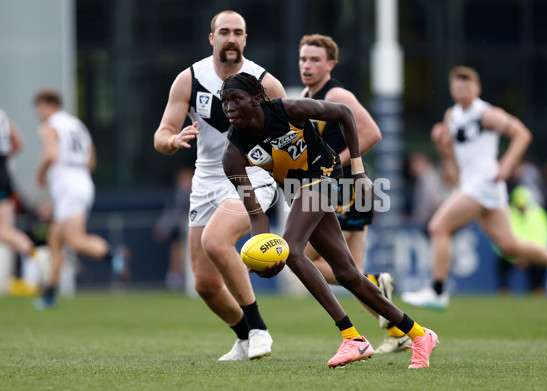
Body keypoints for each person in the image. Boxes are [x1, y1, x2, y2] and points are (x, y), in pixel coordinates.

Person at [221, 72, 438, 369]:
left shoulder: (287, 109)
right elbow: (257, 215)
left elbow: (344, 114)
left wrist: (359, 172)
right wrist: (262, 253)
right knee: (349, 275)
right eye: (225, 101)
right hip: (298, 191)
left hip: (326, 174)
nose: (229, 106)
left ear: (258, 98)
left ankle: (353, 338)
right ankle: (418, 334)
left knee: (292, 250)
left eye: (236, 99)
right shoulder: (233, 154)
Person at [153, 11, 286, 361]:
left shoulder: (264, 83)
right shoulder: (189, 79)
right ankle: (244, 339)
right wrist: (171, 141)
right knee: (205, 285)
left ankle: (258, 330)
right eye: (223, 32)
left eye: (237, 32)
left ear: (245, 39)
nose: (231, 38)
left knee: (216, 240)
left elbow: (290, 139)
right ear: (211, 38)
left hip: (253, 175)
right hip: (207, 178)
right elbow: (161, 134)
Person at [401, 66, 547, 310]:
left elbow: (522, 134)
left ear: (477, 89)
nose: (462, 90)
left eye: (467, 85)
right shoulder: (452, 115)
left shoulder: (485, 114)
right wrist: (441, 143)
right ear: (451, 89)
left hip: (485, 183)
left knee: (438, 227)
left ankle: (437, 291)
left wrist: (507, 165)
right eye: (457, 85)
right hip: (476, 185)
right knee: (510, 247)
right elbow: (453, 159)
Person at [297, 34, 408, 354]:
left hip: (346, 190)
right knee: (349, 274)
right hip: (337, 190)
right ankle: (398, 331)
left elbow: (372, 132)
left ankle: (377, 287)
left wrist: (332, 163)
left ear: (330, 64)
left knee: (317, 263)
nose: (307, 65)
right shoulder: (306, 94)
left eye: (315, 60)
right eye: (304, 59)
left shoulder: (337, 93)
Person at [33, 89, 128, 309]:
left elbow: (50, 155)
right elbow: (91, 160)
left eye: (39, 107)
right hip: (82, 181)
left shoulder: (50, 126)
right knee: (55, 241)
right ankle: (49, 293)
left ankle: (113, 254)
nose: (39, 113)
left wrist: (40, 174)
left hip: (68, 187)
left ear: (49, 105)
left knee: (75, 240)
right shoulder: (78, 126)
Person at [0, 109, 35, 295]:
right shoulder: (3, 114)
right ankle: (34, 259)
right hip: (4, 173)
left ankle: (35, 259)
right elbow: (19, 143)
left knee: (3, 231)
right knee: (5, 230)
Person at [495, 185, 547, 295]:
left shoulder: (539, 214)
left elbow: (544, 237)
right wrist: (516, 256)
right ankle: (503, 291)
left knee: (542, 263)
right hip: (513, 254)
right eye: (519, 206)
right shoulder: (508, 214)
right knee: (500, 262)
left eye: (524, 206)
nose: (522, 209)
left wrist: (529, 256)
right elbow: (500, 239)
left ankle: (538, 291)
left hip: (533, 254)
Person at [153, 166, 194, 291]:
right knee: (177, 247)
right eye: (182, 179)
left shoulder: (202, 193)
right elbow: (171, 214)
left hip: (199, 232)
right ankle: (175, 278)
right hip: (182, 232)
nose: (184, 182)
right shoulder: (176, 196)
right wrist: (163, 227)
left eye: (187, 179)